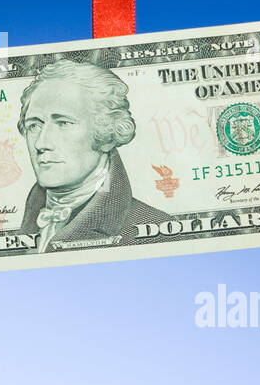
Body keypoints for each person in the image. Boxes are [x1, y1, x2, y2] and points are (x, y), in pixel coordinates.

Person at [16, 59, 169, 253]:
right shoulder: (24, 222)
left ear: (105, 134)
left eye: (63, 123)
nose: (41, 143)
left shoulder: (153, 227)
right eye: (34, 126)